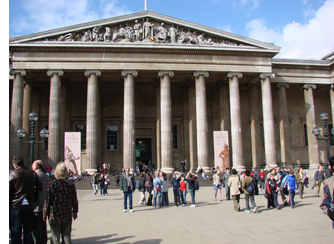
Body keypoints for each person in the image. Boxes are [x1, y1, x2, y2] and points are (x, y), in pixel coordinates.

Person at [43, 162, 78, 244]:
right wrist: (75, 211)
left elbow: (48, 200)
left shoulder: (52, 184)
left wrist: (45, 213)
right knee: (66, 236)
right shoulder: (70, 184)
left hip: (55, 214)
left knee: (55, 236)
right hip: (67, 213)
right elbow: (74, 199)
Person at [9, 156, 42, 244]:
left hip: (16, 206)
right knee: (28, 231)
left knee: (16, 231)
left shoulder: (13, 174)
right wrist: (34, 198)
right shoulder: (32, 173)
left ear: (15, 165)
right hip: (29, 204)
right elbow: (39, 187)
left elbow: (9, 191)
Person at [32, 160, 50, 244]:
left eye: (32, 165)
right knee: (43, 226)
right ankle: (44, 241)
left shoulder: (35, 175)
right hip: (45, 203)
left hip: (37, 205)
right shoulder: (46, 175)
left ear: (36, 166)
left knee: (36, 227)